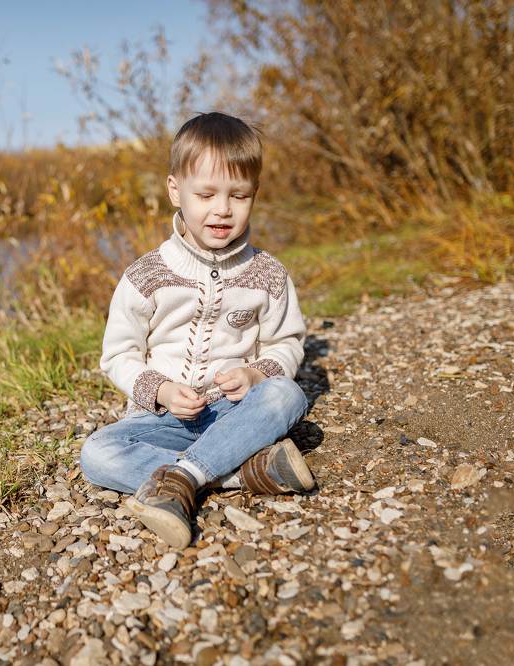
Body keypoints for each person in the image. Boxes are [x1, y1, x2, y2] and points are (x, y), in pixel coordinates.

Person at [79, 112, 314, 549]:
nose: (222, 209)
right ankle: (242, 472)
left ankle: (183, 478)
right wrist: (163, 391)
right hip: (162, 418)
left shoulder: (267, 274)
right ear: (175, 191)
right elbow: (119, 356)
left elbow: (286, 343)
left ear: (254, 195)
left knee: (288, 395)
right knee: (97, 453)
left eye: (238, 196)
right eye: (205, 194)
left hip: (232, 413)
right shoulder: (145, 276)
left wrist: (256, 375)